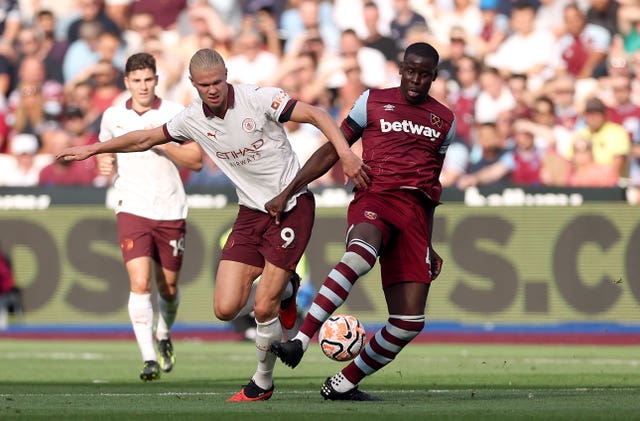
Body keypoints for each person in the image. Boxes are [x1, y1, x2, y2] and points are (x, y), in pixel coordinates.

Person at [55, 48, 367, 401]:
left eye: (218, 81)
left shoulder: (257, 98)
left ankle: (262, 382)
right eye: (205, 85)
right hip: (251, 212)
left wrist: (345, 152)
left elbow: (316, 113)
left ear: (226, 75)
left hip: (291, 205)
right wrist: (94, 149)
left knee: (264, 307)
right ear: (194, 85)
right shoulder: (191, 119)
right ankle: (288, 290)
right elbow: (144, 138)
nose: (213, 89)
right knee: (224, 308)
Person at [267, 42, 454, 401]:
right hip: (376, 198)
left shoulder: (444, 120)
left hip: (414, 217)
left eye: (424, 75)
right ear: (400, 69)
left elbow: (432, 187)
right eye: (410, 71)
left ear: (433, 76)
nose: (416, 80)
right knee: (359, 256)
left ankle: (343, 383)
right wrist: (290, 189)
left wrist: (428, 243)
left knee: (408, 323)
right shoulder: (372, 101)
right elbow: (332, 148)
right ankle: (300, 342)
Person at [96, 52, 203, 381]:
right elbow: (106, 152)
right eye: (136, 80)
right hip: (132, 206)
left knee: (167, 287)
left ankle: (164, 333)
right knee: (139, 282)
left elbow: (196, 160)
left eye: (148, 79)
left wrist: (158, 141)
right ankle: (148, 358)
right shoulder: (113, 116)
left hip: (170, 208)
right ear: (127, 82)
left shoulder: (174, 114)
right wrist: (105, 163)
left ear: (156, 80)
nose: (143, 86)